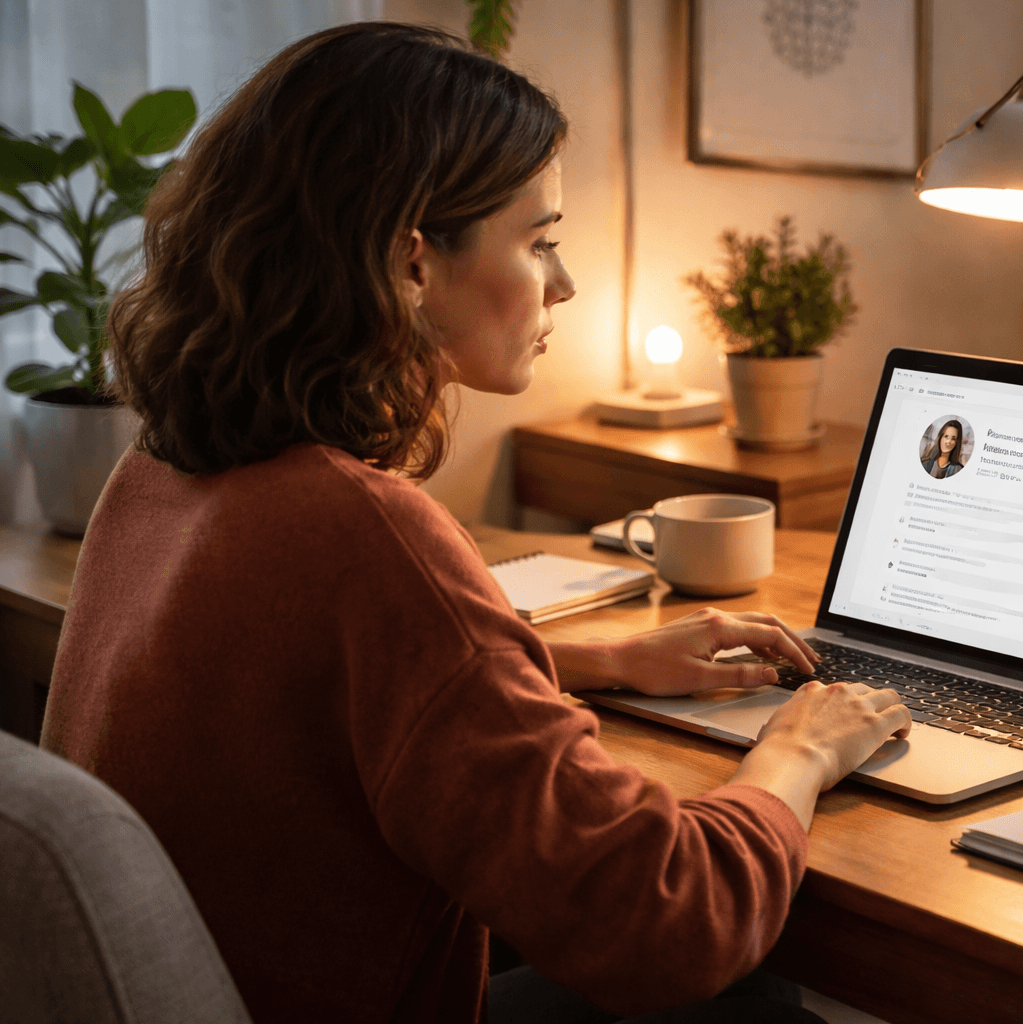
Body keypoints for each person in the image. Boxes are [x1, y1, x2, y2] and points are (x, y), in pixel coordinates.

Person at [39, 22, 910, 1024]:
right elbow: (671, 918)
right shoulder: (364, 534)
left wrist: (604, 659)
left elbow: (312, 677)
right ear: (411, 265)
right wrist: (800, 749)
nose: (564, 283)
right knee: (747, 994)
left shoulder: (159, 471)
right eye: (539, 242)